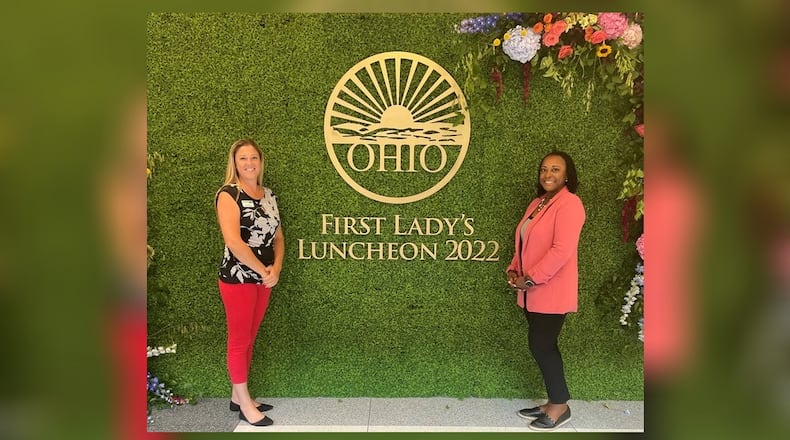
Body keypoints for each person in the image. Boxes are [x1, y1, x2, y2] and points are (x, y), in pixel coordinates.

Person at [506, 151, 585, 431]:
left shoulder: (570, 204)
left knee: (543, 346)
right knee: (541, 345)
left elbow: (561, 250)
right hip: (531, 292)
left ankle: (560, 406)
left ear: (567, 175)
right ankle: (551, 402)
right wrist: (514, 269)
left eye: (555, 169)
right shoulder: (538, 203)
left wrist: (530, 279)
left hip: (551, 291)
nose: (547, 174)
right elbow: (524, 241)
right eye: (543, 169)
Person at [215, 138, 284, 427]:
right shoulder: (228, 194)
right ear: (235, 162)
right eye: (243, 158)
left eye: (253, 157)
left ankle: (237, 396)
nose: (249, 163)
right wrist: (262, 271)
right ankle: (245, 404)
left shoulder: (268, 194)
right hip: (238, 278)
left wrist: (275, 268)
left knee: (249, 337)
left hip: (264, 279)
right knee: (239, 340)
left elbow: (278, 237)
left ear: (260, 161)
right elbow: (234, 241)